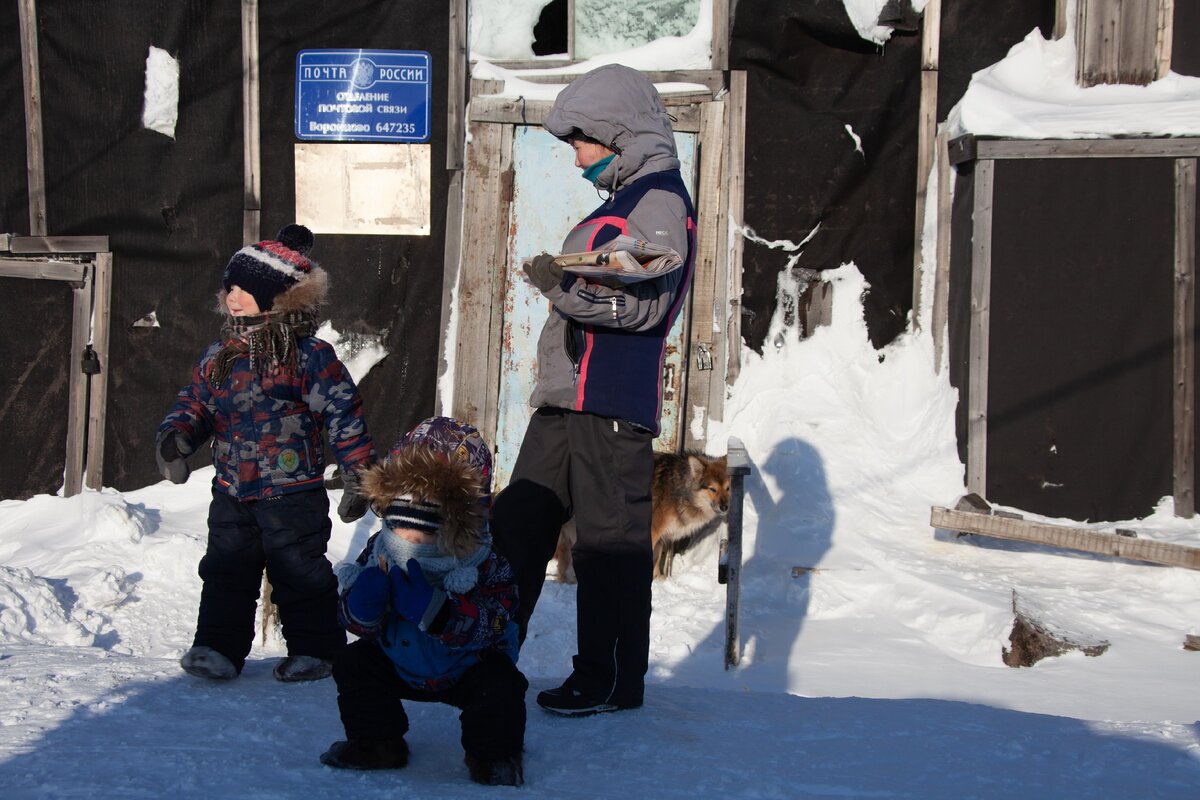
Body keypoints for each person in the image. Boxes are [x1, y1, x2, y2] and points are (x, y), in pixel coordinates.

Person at [490, 64, 697, 716]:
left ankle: (608, 678)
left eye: (581, 138)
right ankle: (485, 660)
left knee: (607, 544)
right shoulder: (617, 203)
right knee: (518, 528)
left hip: (607, 398)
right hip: (565, 399)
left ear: (617, 133)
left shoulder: (658, 199)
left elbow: (644, 310)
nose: (575, 154)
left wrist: (559, 286)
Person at [156, 223, 375, 683]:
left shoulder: (308, 354)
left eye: (244, 288)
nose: (232, 296)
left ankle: (317, 651)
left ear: (276, 296)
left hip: (291, 490)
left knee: (299, 572)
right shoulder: (221, 354)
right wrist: (177, 435)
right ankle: (217, 648)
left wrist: (358, 471)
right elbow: (195, 401)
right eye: (229, 287)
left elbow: (342, 410)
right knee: (225, 570)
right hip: (232, 487)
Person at [319, 416, 526, 787]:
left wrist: (443, 614)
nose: (415, 525)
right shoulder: (382, 548)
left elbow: (500, 618)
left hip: (465, 665)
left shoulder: (483, 559)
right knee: (355, 663)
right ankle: (377, 743)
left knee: (501, 684)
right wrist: (361, 608)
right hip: (398, 660)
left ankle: (493, 756)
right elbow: (350, 617)